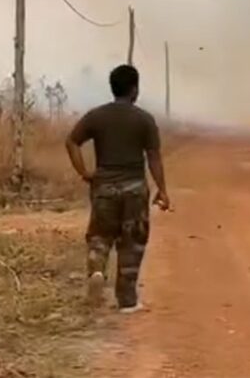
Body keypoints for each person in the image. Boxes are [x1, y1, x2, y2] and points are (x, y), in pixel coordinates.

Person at [65, 64, 170, 313]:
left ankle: (97, 270)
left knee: (100, 236)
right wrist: (162, 189)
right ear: (135, 90)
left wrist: (84, 173)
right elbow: (154, 157)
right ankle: (127, 300)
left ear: (113, 88)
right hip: (134, 188)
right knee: (132, 243)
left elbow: (71, 141)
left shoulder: (97, 116)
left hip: (104, 187)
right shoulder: (144, 119)